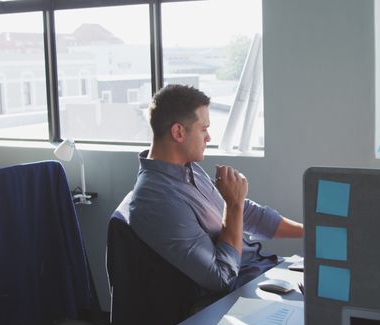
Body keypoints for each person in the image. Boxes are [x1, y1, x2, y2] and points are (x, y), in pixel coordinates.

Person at [128, 84, 303, 297]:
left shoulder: (189, 169)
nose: (209, 138)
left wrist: (313, 232)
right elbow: (221, 277)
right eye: (204, 129)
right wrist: (234, 205)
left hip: (261, 270)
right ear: (178, 132)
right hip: (241, 289)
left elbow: (250, 216)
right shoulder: (155, 199)